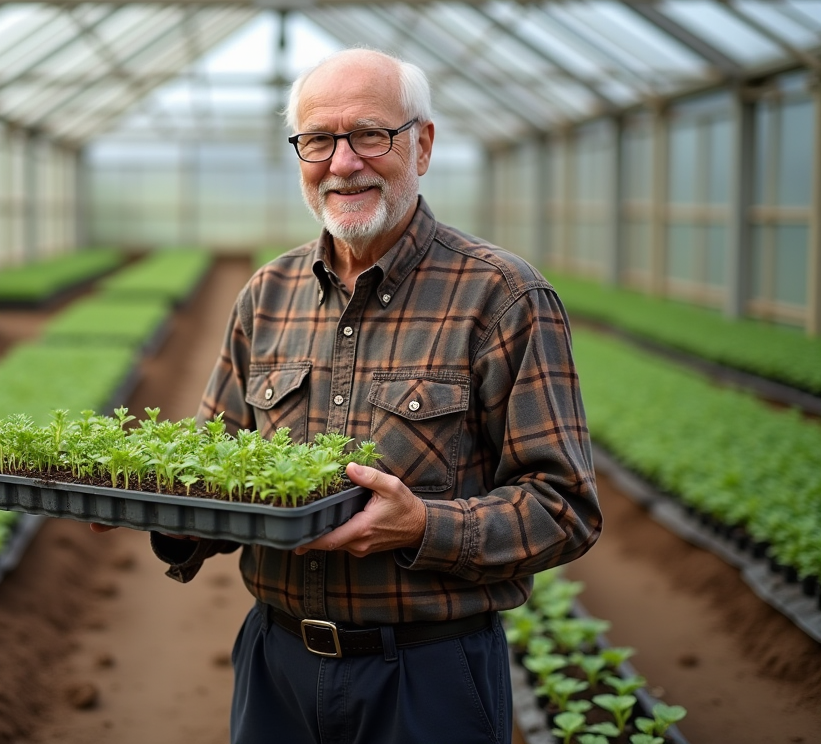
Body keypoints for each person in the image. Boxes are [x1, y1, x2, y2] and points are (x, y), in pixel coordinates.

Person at [99, 47, 602, 744]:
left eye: (370, 134)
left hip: (428, 677)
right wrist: (163, 508)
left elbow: (564, 507)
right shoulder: (267, 294)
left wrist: (424, 526)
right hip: (275, 669)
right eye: (318, 140)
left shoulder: (503, 297)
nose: (343, 163)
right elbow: (214, 469)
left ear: (421, 144)